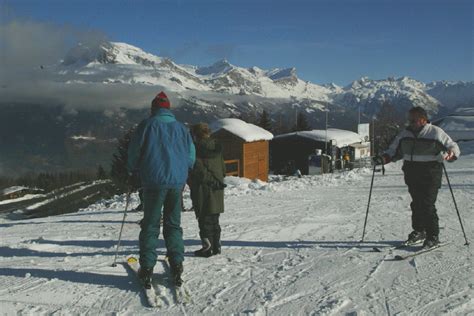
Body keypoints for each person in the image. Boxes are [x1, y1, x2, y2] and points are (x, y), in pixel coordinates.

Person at [127, 91, 195, 287]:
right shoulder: (182, 129)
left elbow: (134, 152)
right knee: (173, 224)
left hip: (153, 182)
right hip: (176, 183)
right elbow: (191, 156)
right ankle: (176, 265)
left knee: (150, 225)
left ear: (153, 108)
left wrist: (132, 170)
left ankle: (147, 268)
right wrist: (183, 171)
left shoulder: (146, 126)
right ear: (168, 109)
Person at [373, 106, 460, 248]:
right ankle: (420, 231)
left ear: (423, 120)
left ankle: (433, 235)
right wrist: (383, 159)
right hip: (412, 172)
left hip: (430, 172)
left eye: (413, 120)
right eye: (409, 120)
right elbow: (394, 151)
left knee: (427, 204)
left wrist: (451, 153)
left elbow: (453, 146)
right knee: (416, 203)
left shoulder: (435, 132)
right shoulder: (405, 134)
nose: (410, 123)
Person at [189, 123, 226, 258]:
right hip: (218, 187)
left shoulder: (195, 149)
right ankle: (217, 245)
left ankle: (207, 248)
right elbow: (223, 168)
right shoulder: (217, 147)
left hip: (202, 188)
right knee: (214, 218)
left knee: (204, 218)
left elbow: (198, 170)